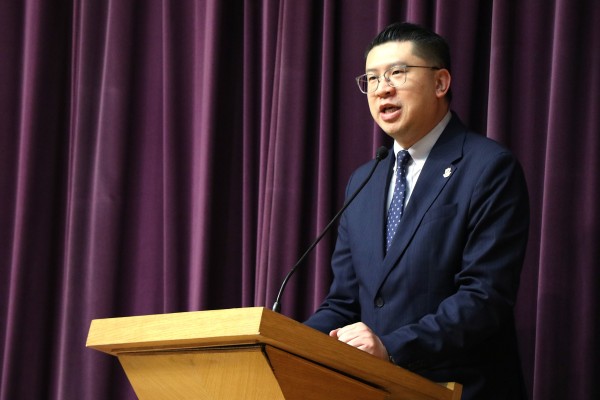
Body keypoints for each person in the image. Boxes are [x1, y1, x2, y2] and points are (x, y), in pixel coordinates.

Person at [304, 22, 530, 399]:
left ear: (440, 83)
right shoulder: (364, 180)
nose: (382, 89)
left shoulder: (488, 167)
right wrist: (284, 343)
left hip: (459, 389)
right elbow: (344, 302)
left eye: (397, 73)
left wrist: (391, 348)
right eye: (372, 78)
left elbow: (484, 297)